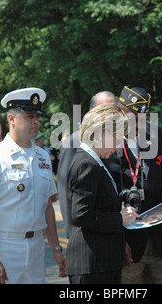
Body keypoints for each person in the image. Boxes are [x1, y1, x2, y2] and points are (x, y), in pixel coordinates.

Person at [0, 87, 66, 284]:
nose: (35, 121)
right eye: (28, 116)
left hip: (36, 246)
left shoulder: (42, 157)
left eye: (37, 116)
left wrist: (56, 248)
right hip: (6, 245)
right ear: (11, 119)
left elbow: (47, 206)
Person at [106, 85, 162, 284]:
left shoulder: (160, 135)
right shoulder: (106, 141)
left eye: (141, 117)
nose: (136, 121)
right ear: (119, 110)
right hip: (127, 242)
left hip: (161, 240)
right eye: (131, 115)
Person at [66, 104, 137, 284]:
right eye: (116, 138)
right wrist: (119, 218)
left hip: (99, 264)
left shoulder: (93, 161)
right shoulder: (86, 164)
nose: (118, 146)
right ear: (100, 133)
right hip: (93, 266)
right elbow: (82, 214)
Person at [57, 91, 118, 237]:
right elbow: (66, 192)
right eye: (105, 110)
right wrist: (72, 235)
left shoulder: (115, 140)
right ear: (92, 113)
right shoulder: (74, 142)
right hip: (86, 236)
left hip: (111, 230)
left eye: (115, 110)